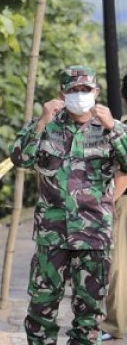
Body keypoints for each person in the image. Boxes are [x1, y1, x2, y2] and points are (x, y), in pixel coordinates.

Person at [10, 66, 127, 344]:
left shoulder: (112, 127)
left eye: (85, 90)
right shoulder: (46, 124)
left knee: (89, 315)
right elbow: (20, 160)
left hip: (94, 236)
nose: (79, 95)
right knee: (41, 309)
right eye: (73, 90)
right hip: (52, 235)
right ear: (61, 93)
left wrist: (113, 129)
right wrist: (41, 121)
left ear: (96, 93)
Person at [100, 73, 127, 342]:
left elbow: (122, 175)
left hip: (123, 200)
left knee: (118, 265)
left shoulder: (121, 128)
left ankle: (114, 325)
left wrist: (106, 206)